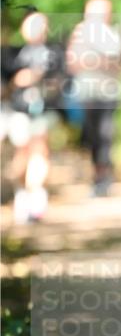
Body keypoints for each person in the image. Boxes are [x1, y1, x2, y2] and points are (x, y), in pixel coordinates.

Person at [2, 12, 66, 223]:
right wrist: (16, 82)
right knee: (22, 154)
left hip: (44, 111)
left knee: (40, 150)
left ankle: (37, 199)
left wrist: (43, 81)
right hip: (19, 111)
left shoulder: (55, 53)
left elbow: (64, 82)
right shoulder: (12, 54)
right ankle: (22, 195)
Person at [66, 0, 121, 196]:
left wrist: (92, 60)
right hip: (86, 93)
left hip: (108, 93)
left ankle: (104, 176)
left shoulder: (113, 34)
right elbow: (73, 62)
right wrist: (99, 61)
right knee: (90, 136)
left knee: (106, 135)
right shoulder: (79, 32)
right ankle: (97, 175)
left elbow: (118, 65)